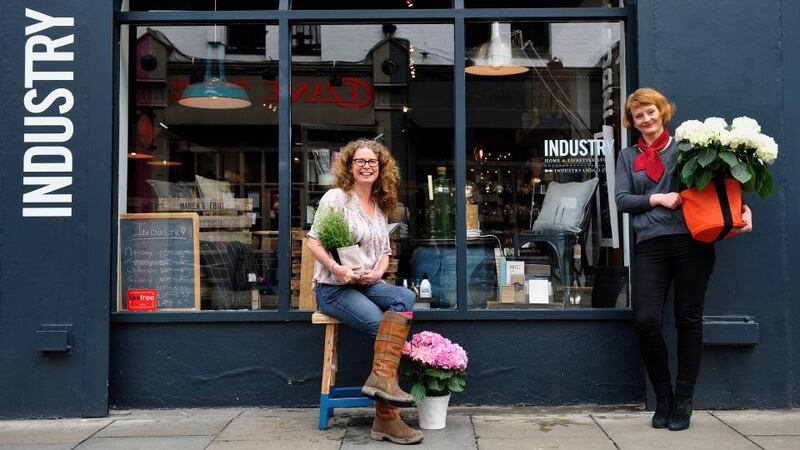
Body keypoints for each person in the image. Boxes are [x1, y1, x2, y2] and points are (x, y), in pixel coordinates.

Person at [615, 88, 753, 431]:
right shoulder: (627, 156)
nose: (645, 119)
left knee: (688, 319)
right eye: (638, 116)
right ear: (631, 122)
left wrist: (743, 210)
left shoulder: (688, 147)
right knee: (646, 319)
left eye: (650, 112)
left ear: (662, 112)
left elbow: (722, 185)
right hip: (650, 244)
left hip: (693, 241)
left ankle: (685, 400)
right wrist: (658, 198)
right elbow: (621, 199)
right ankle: (663, 395)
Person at [307, 138, 422, 445]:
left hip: (366, 283)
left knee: (405, 297)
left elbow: (384, 251)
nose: (367, 166)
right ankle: (386, 417)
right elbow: (313, 241)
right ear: (350, 166)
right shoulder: (336, 198)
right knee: (377, 321)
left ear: (381, 168)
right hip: (334, 288)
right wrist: (337, 269)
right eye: (360, 161)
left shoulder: (379, 206)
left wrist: (378, 272)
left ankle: (382, 387)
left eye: (373, 162)